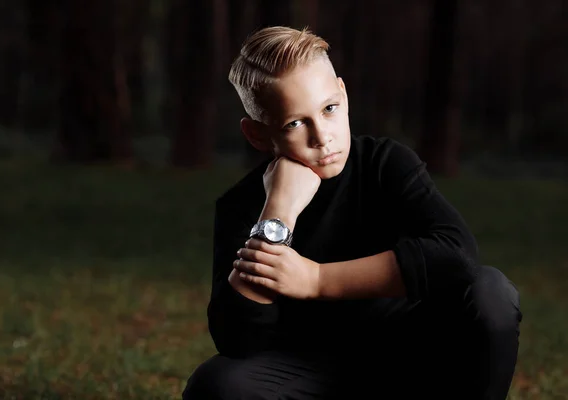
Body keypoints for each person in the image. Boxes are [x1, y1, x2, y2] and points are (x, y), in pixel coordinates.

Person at [182, 26, 522, 399]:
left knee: (491, 292)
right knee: (216, 385)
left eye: (329, 109)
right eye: (295, 123)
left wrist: (317, 280)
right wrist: (278, 211)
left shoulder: (384, 163)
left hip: (411, 358)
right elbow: (237, 339)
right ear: (258, 135)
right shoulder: (242, 205)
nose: (322, 136)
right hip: (311, 369)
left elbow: (457, 256)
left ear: (343, 94)